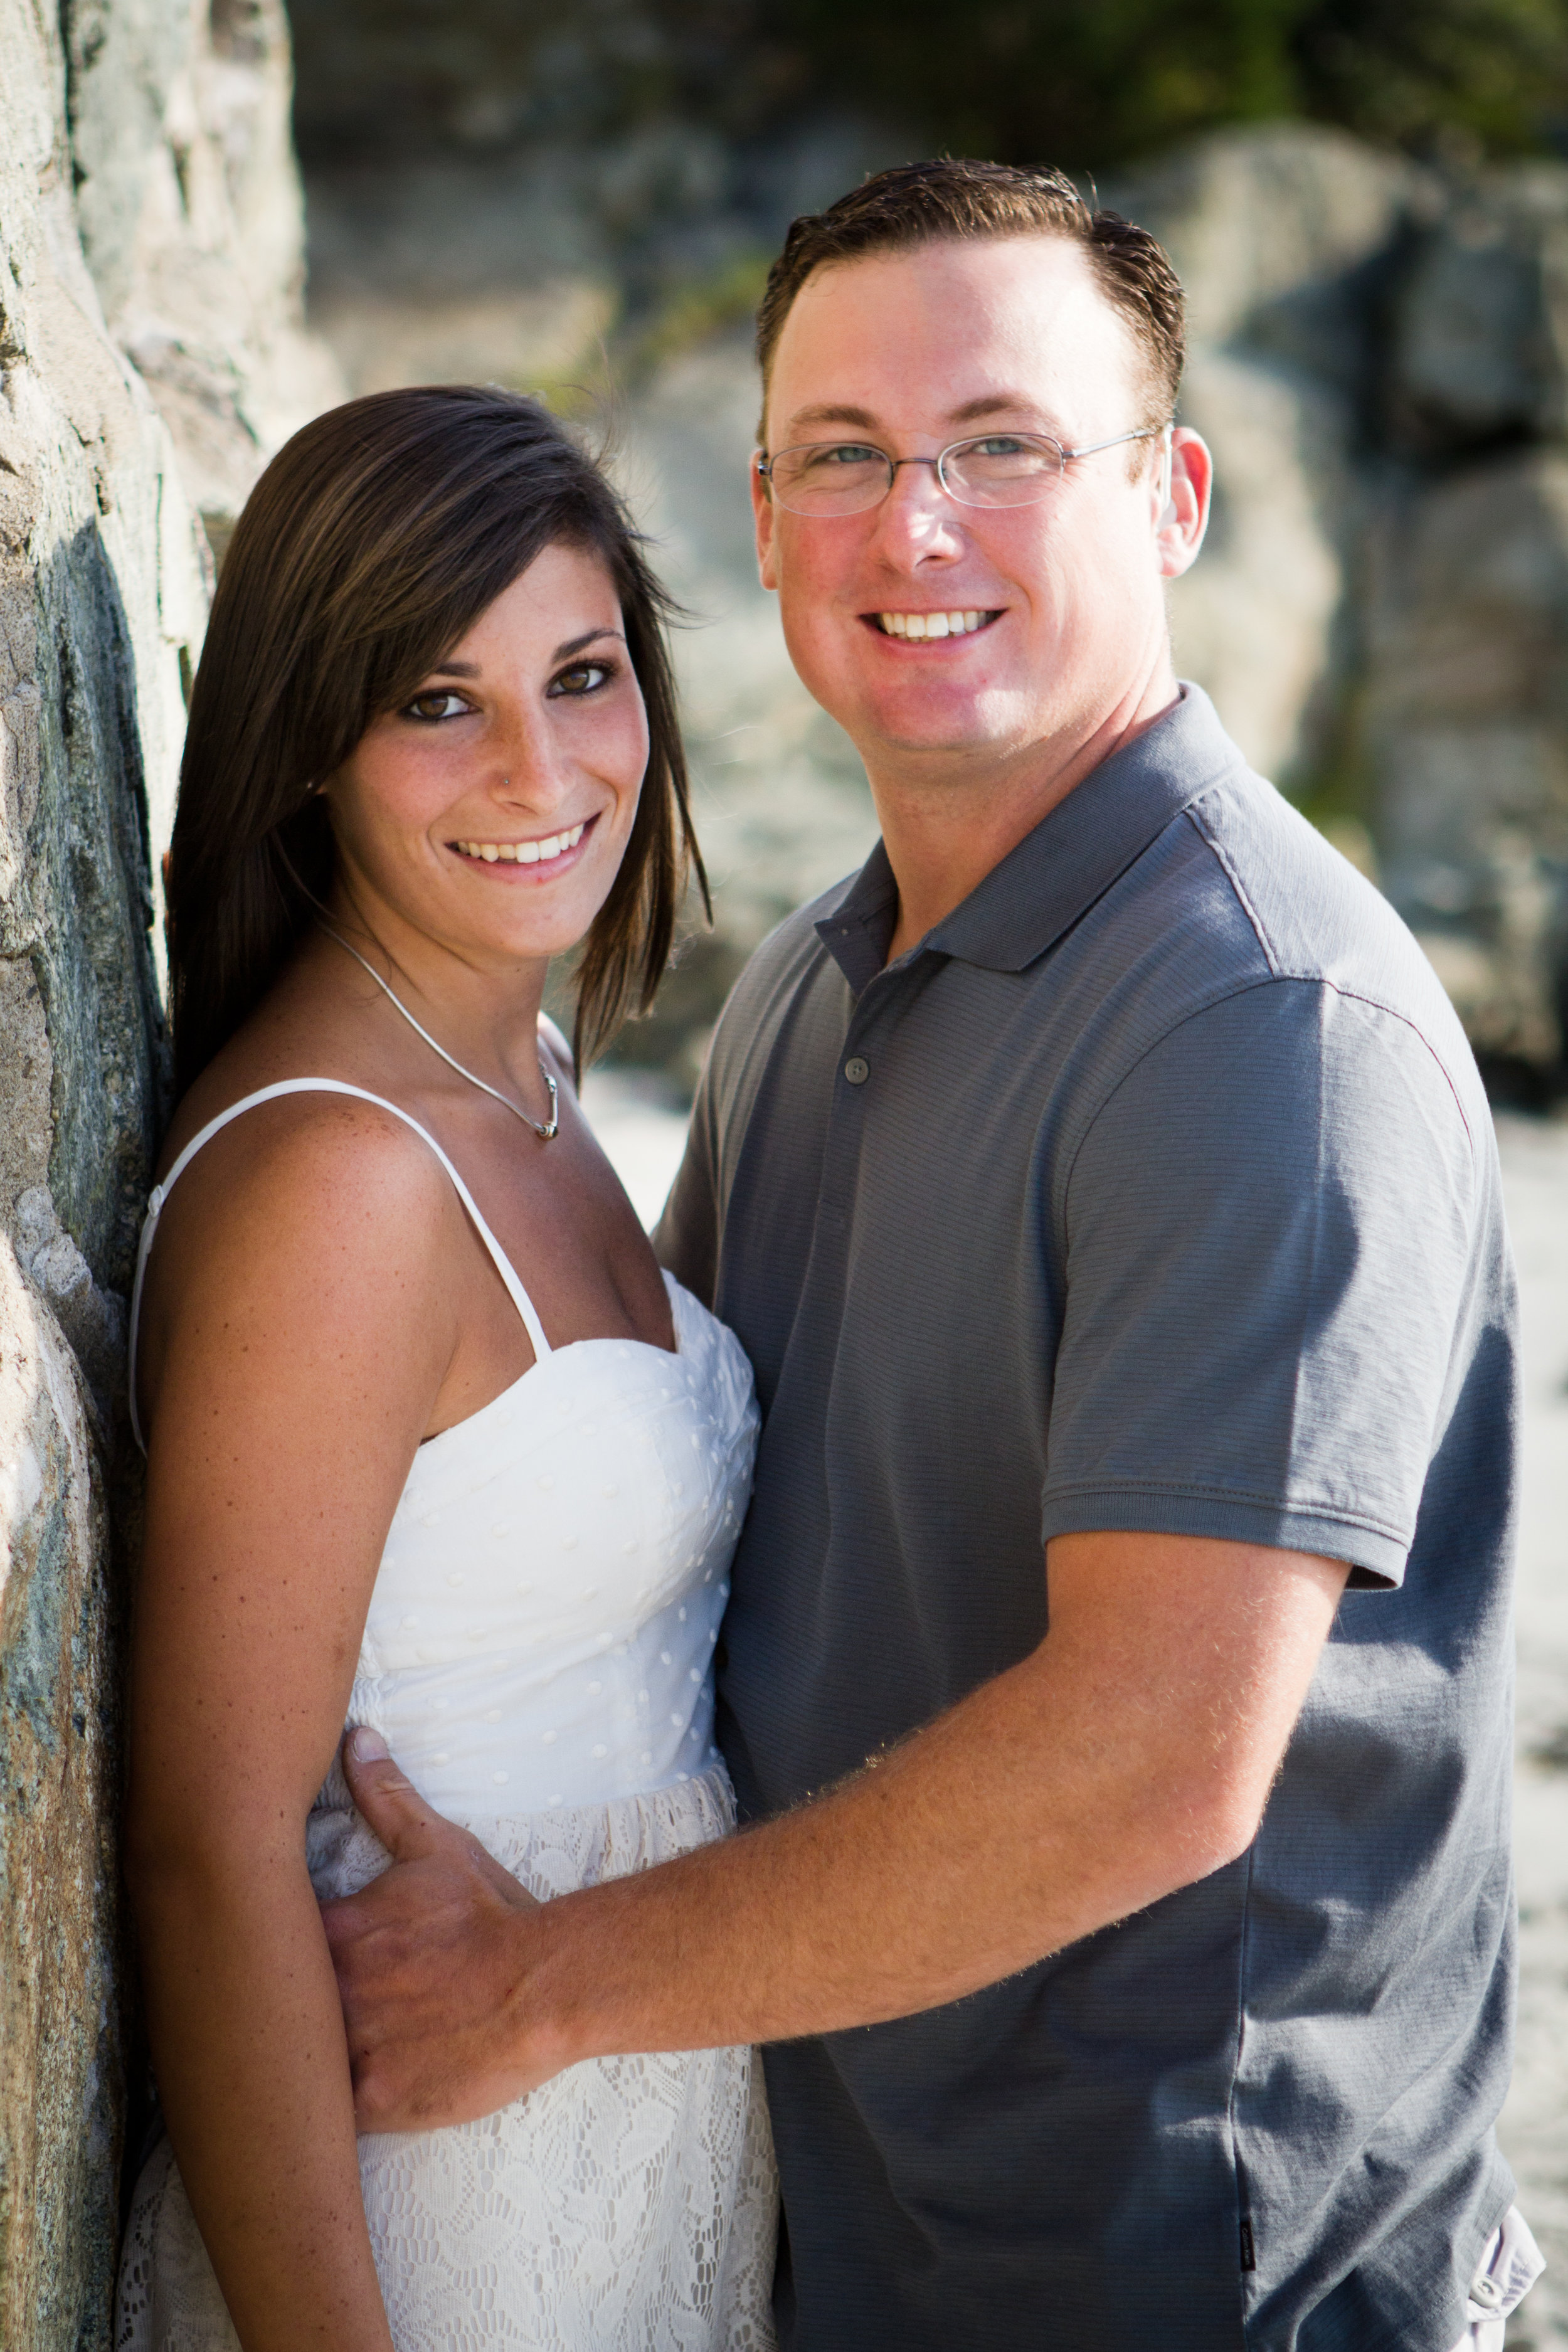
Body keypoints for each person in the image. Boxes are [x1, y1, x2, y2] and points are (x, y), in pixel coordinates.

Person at [324, 164, 1542, 2349]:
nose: (916, 530)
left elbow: (1156, 1750)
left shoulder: (1256, 1025)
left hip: (1194, 2275)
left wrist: (540, 1989)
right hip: (849, 2235)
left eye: (1002, 448)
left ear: (1170, 498)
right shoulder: (812, 982)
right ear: (767, 514)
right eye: (845, 461)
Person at [114, 385, 777, 2351]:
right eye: (435, 701)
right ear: (310, 746)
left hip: (632, 2119)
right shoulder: (342, 1180)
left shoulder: (528, 1074)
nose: (538, 765)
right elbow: (205, 1848)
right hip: (428, 2206)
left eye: (580, 675)